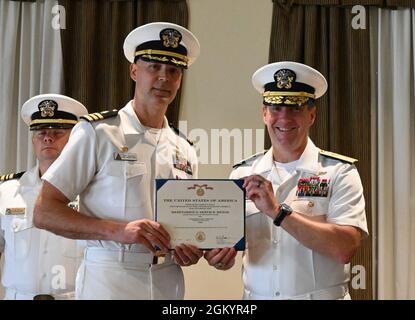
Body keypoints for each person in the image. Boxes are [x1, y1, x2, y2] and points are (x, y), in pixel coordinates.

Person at [33, 22, 203, 300]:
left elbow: (188, 226)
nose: (164, 77)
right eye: (154, 67)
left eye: (173, 70)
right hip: (110, 278)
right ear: (134, 71)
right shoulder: (98, 133)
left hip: (168, 281)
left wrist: (191, 250)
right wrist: (119, 231)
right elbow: (44, 212)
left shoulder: (184, 148)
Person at [205, 61, 368, 300]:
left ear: (311, 115)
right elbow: (227, 247)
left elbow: (345, 248)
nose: (284, 117)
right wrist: (219, 258)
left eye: (295, 108)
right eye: (276, 107)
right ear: (264, 114)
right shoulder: (242, 174)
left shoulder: (338, 172)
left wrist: (278, 212)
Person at [0, 94, 88, 299]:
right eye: (41, 133)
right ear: (33, 140)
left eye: (57, 132)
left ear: (74, 138)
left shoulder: (90, 192)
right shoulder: (7, 191)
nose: (48, 137)